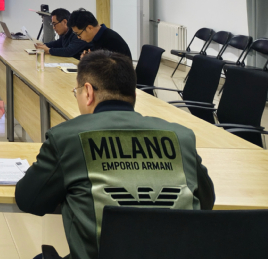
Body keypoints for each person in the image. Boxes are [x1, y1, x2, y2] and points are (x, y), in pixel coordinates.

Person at [15, 50, 215, 259]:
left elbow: (29, 200)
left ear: (88, 92)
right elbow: (205, 201)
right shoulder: (180, 137)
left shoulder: (67, 137)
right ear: (134, 95)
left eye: (77, 92)